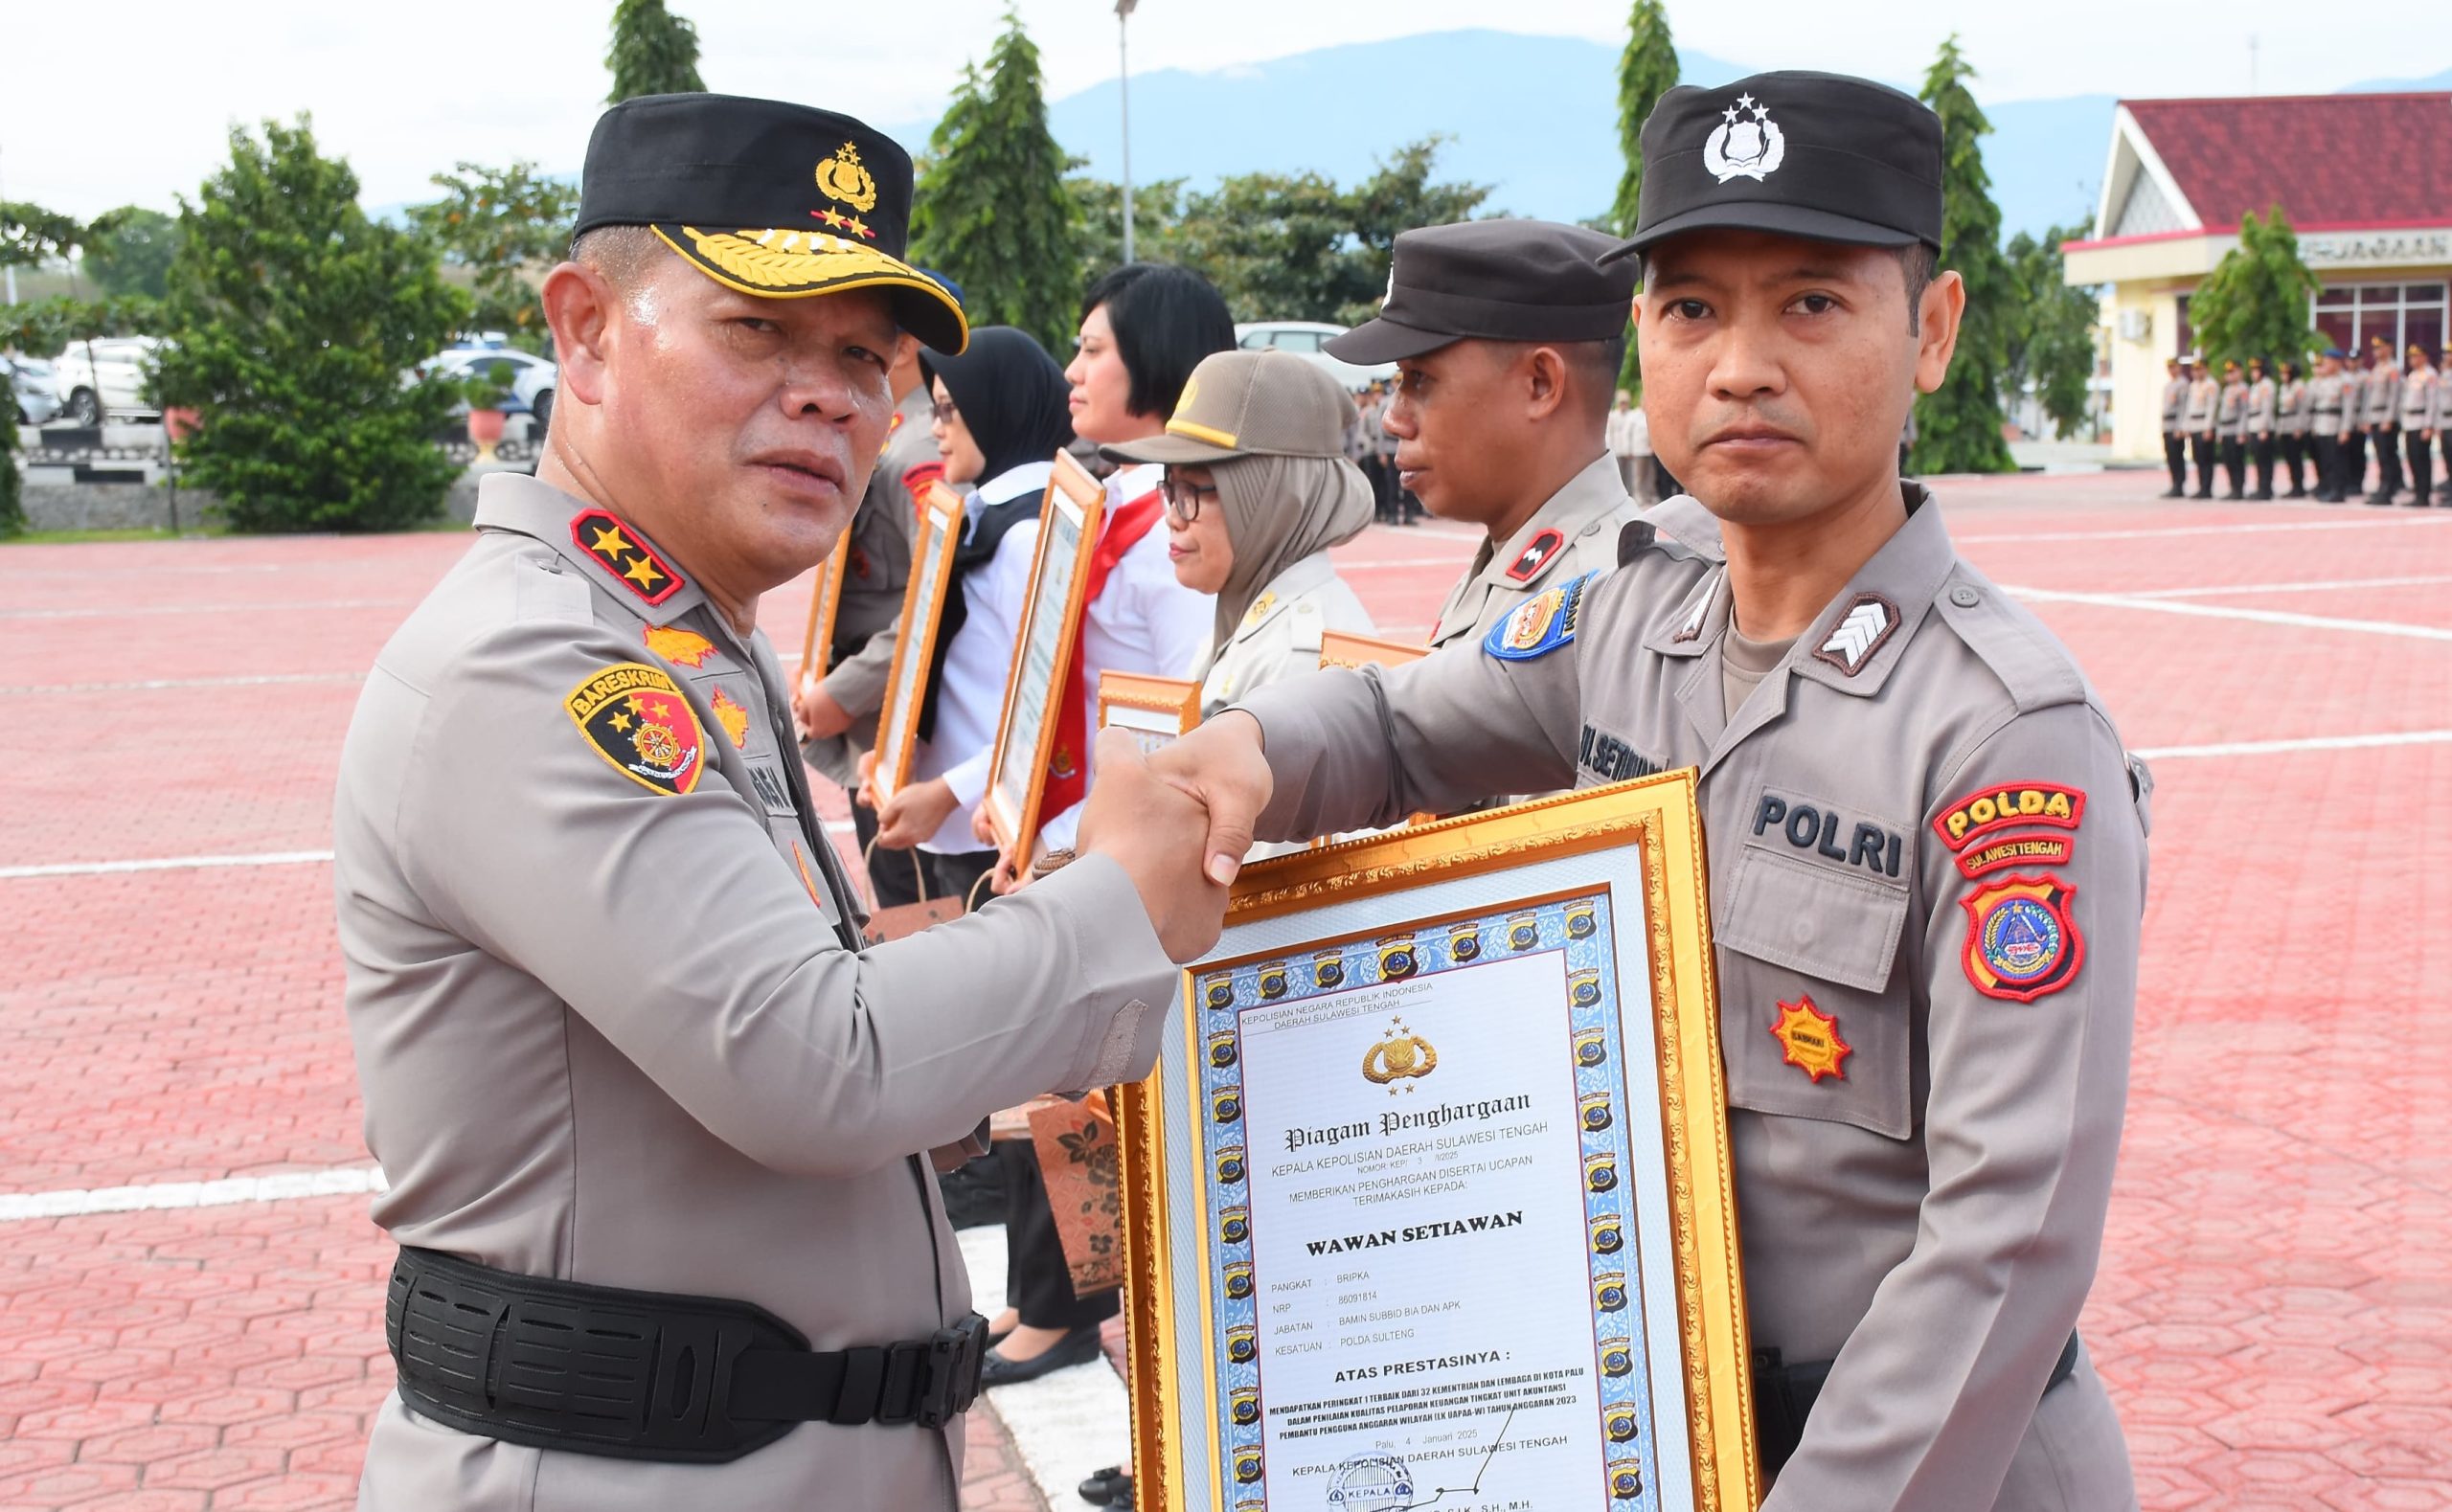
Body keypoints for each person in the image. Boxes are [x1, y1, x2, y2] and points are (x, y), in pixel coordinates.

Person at [1152, 69, 2145, 1512]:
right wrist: (1240, 756)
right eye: (1693, 310)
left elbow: (2010, 1238)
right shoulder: (1636, 617)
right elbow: (1404, 726)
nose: (1741, 364)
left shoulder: (2004, 735)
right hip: (1661, 1429)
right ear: (1641, 337)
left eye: (1811, 303)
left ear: (1929, 333)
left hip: (1929, 1463)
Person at [333, 95, 1224, 1512]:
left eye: (868, 359)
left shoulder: (684, 637)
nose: (834, 396)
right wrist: (1117, 901)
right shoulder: (536, 663)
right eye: (757, 330)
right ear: (585, 329)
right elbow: (814, 1058)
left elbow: (793, 988)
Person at [1323, 218, 1642, 651]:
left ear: (1540, 384)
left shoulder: (1602, 605)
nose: (1393, 420)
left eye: (1420, 379)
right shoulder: (1511, 562)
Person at [1030, 263, 1233, 862]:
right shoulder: (1111, 505)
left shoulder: (1180, 529)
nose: (1072, 371)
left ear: (1155, 358)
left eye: (1092, 350)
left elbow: (1187, 735)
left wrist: (1062, 847)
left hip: (1118, 859)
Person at [870, 327, 1077, 902]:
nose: (936, 427)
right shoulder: (989, 512)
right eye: (935, 409)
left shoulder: (1028, 534)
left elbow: (1049, 705)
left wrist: (948, 791)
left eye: (949, 409)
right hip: (958, 822)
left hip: (996, 829)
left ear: (997, 408)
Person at [1103, 349, 1377, 718]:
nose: (1172, 517)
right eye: (1170, 490)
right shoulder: (1248, 613)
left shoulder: (1301, 664)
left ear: (1272, 500)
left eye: (1190, 493)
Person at [794, 331, 943, 908]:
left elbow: (934, 602)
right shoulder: (891, 438)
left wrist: (845, 692)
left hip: (892, 715)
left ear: (904, 349)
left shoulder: (919, 451)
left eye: (856, 349)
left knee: (914, 896)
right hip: (871, 710)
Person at [2362, 337, 2403, 505]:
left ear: (2389, 347)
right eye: (2374, 348)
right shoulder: (2376, 369)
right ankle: (2384, 486)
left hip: (2386, 418)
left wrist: (2389, 418)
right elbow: (2369, 397)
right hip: (2375, 416)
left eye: (2380, 347)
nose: (2376, 351)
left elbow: (2394, 396)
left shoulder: (2393, 369)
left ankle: (2388, 489)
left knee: (2388, 455)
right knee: (2380, 455)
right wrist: (2367, 418)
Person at [2308, 348, 2352, 503]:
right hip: (2322, 425)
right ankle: (2327, 488)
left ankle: (2338, 490)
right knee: (2325, 460)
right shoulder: (2323, 381)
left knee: (2337, 461)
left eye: (2327, 362)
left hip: (2335, 425)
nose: (2325, 365)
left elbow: (2348, 408)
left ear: (2336, 362)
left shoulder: (2345, 380)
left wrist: (2345, 429)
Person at [2397, 343, 2437, 508]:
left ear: (2424, 357)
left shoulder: (2430, 375)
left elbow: (2432, 402)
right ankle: (2417, 493)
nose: (2412, 359)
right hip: (2409, 422)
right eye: (2410, 356)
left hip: (2421, 422)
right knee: (2412, 459)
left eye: (2415, 356)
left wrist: (2428, 426)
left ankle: (2423, 495)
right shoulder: (2413, 375)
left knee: (2422, 460)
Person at [1608, 386, 1658, 505]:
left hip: (1642, 450)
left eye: (1625, 403)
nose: (1623, 405)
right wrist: (1625, 449)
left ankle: (1644, 495)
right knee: (1627, 475)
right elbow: (1620, 434)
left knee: (1643, 475)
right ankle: (1628, 496)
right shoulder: (1615, 416)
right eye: (1621, 403)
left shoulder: (1632, 414)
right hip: (1622, 449)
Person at [2183, 354, 2220, 498]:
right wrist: (2186, 426)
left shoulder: (2211, 385)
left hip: (2204, 424)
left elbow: (2211, 408)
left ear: (2207, 369)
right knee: (2197, 458)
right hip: (2194, 424)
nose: (2197, 372)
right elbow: (2189, 408)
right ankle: (2201, 487)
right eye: (2195, 370)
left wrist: (2208, 428)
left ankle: (2206, 488)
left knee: (2206, 458)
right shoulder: (2193, 385)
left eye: (2200, 369)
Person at [2214, 358, 2248, 500]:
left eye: (2233, 372)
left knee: (2236, 460)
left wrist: (2241, 432)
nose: (2230, 375)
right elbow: (2222, 412)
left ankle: (2238, 489)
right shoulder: (2227, 390)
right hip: (2226, 428)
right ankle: (2232, 487)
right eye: (2228, 372)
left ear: (2240, 372)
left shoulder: (2243, 389)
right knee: (2227, 460)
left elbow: (2244, 412)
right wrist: (2220, 432)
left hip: (2235, 428)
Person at [2274, 358, 2308, 498]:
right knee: (2288, 457)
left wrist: (2299, 427)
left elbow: (2302, 409)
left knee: (2296, 458)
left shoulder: (2298, 386)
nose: (2283, 375)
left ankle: (2299, 487)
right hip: (2285, 425)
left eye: (2286, 373)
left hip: (2295, 426)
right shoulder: (2284, 387)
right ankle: (2293, 485)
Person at [2157, 356, 2191, 497]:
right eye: (2169, 368)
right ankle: (2174, 483)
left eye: (2174, 367)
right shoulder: (2168, 386)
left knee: (2177, 456)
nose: (2171, 370)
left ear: (2179, 367)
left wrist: (2181, 427)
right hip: (2167, 425)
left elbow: (2183, 407)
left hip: (2176, 425)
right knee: (2170, 456)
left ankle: (2179, 485)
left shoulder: (2183, 384)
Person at [2244, 355, 2277, 499]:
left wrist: (2263, 428)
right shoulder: (2255, 386)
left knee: (2264, 461)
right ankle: (2261, 487)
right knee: (2258, 460)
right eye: (2252, 370)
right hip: (2254, 425)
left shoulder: (2266, 385)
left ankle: (2265, 489)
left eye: (2256, 370)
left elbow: (2267, 408)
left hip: (2263, 427)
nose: (2253, 373)